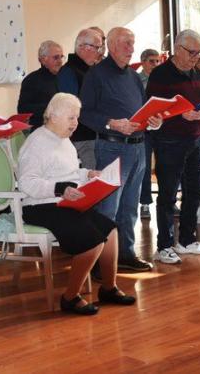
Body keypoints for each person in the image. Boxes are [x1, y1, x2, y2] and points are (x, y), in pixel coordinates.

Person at [18, 93, 136, 315]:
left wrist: (89, 174)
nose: (76, 123)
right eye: (71, 118)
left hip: (63, 202)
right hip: (40, 206)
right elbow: (27, 183)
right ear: (52, 116)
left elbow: (71, 173)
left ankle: (108, 289)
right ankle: (70, 297)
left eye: (77, 118)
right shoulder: (37, 142)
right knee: (92, 241)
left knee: (109, 230)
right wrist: (60, 189)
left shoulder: (64, 141)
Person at [80, 27, 162, 272]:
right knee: (108, 208)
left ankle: (125, 254)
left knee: (130, 206)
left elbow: (143, 108)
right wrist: (111, 123)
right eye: (126, 43)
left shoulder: (134, 77)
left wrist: (154, 120)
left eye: (133, 43)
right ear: (112, 45)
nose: (131, 48)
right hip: (111, 148)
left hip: (139, 148)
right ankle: (98, 263)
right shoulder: (96, 74)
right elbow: (84, 113)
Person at [146, 29, 200, 265]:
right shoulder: (160, 74)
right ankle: (164, 245)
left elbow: (198, 104)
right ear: (177, 49)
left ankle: (186, 240)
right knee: (167, 194)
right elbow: (153, 109)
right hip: (169, 141)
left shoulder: (197, 73)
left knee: (194, 190)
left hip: (195, 138)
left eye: (198, 52)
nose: (196, 57)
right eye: (192, 52)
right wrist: (179, 116)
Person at [57, 28, 103, 169]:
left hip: (93, 135)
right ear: (83, 47)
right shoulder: (69, 72)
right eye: (97, 47)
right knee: (88, 181)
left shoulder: (90, 70)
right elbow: (72, 106)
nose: (99, 52)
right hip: (80, 138)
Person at [136, 48, 161, 219]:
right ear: (143, 61)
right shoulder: (136, 80)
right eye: (152, 61)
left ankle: (169, 201)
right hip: (143, 129)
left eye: (158, 61)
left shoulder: (161, 79)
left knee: (164, 165)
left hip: (160, 127)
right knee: (144, 168)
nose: (155, 64)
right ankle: (145, 203)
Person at [17, 40, 64, 130]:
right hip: (41, 131)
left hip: (63, 132)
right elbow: (23, 109)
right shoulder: (31, 80)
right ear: (43, 60)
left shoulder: (65, 77)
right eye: (56, 57)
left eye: (61, 57)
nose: (60, 61)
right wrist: (51, 107)